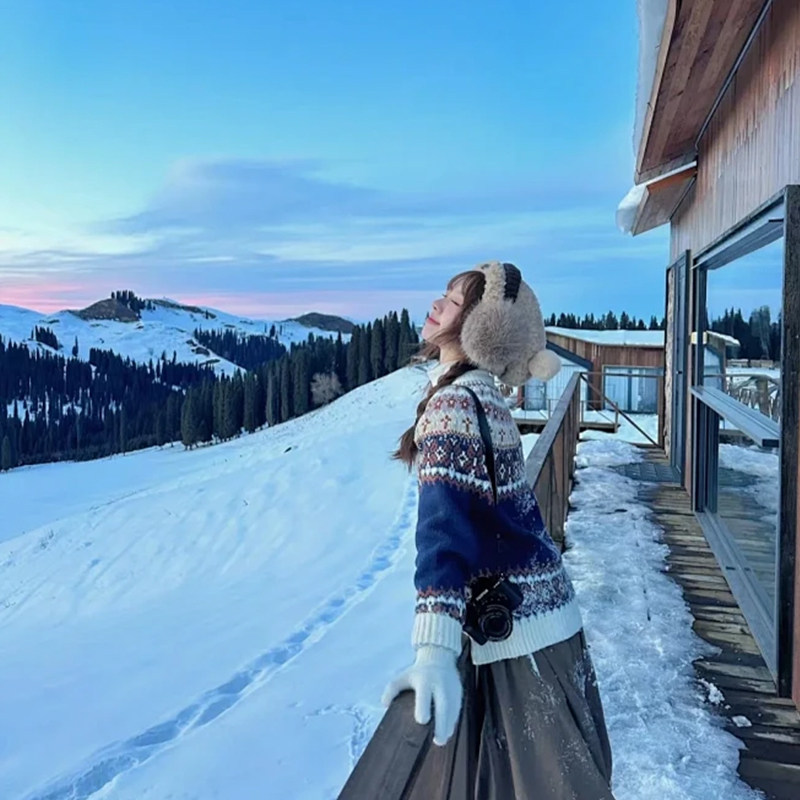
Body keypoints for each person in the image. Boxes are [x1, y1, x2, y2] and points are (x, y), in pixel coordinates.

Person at [382, 261, 615, 798]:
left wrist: (434, 652)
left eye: (454, 301)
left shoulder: (453, 405)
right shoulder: (482, 393)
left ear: (483, 327)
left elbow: (444, 534)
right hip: (545, 621)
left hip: (520, 641)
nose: (437, 305)